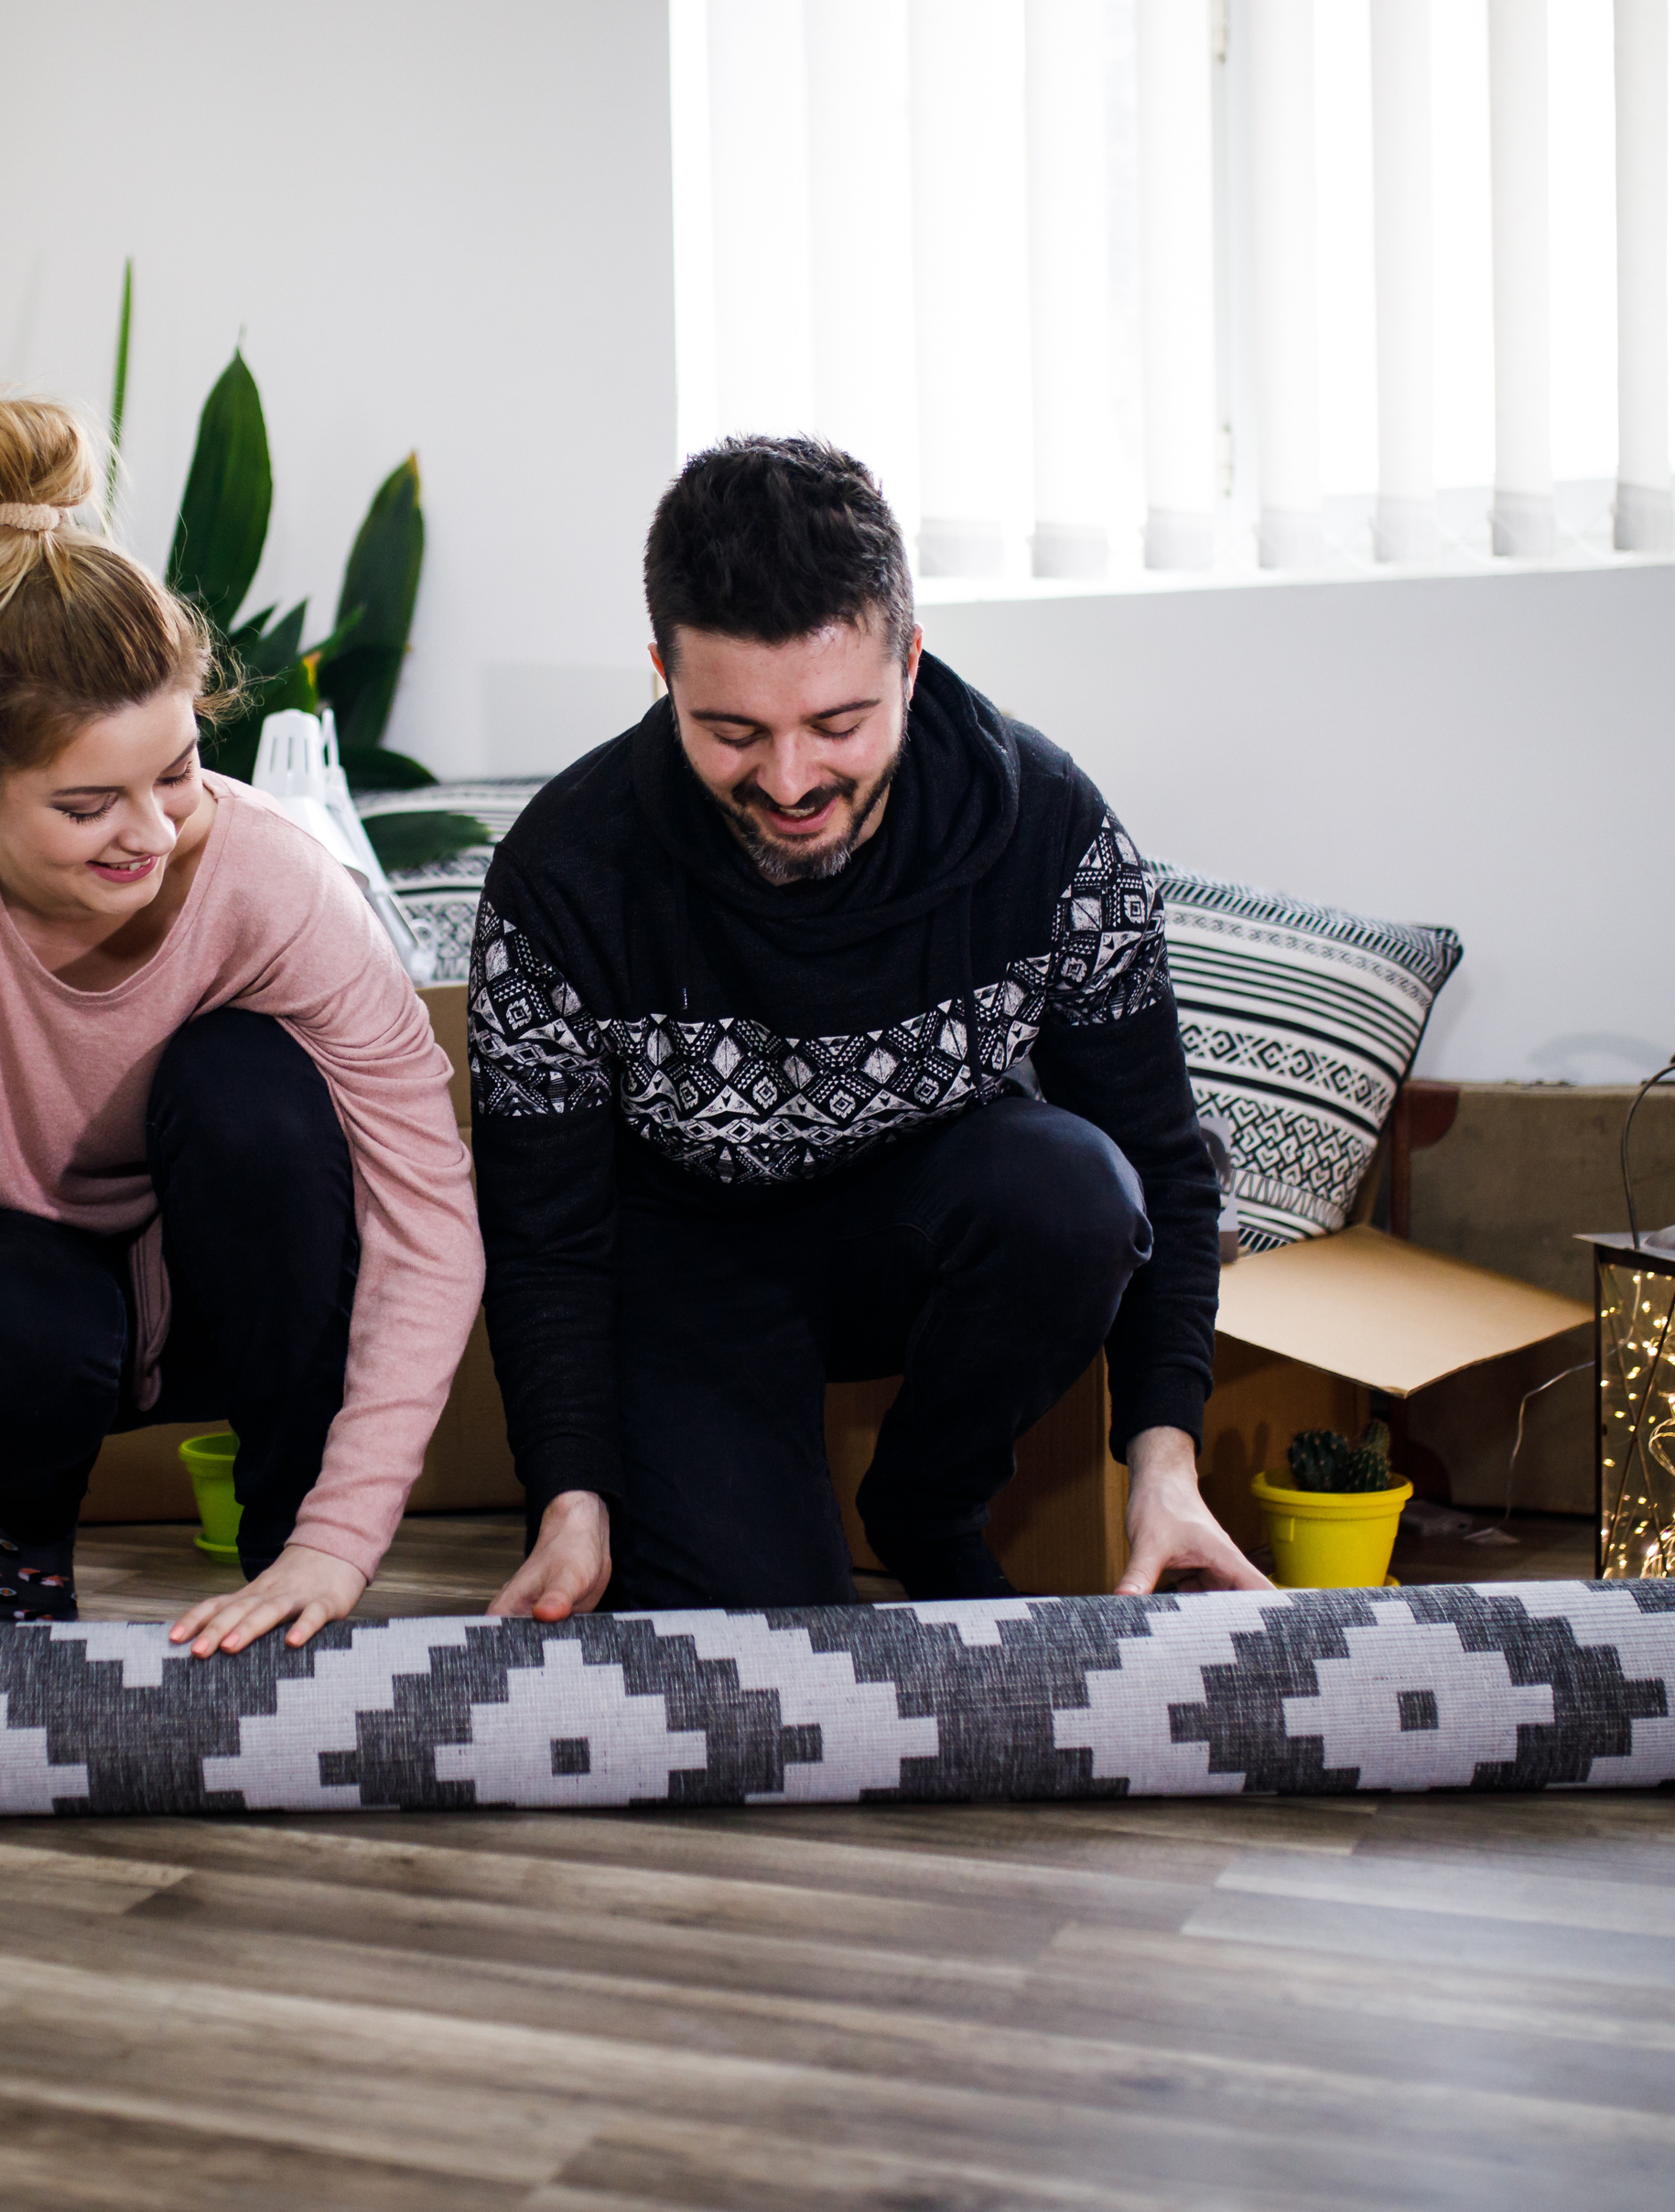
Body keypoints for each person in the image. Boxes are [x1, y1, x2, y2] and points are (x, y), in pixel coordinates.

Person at [0, 397, 482, 1682]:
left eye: (179, 771)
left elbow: (428, 1216)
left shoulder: (275, 885)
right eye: (88, 804)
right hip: (31, 1309)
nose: (149, 830)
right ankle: (29, 1530)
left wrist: (340, 1538)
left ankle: (280, 1553)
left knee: (246, 1086)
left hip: (247, 1295)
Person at [471, 436, 1270, 1619]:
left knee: (1078, 1191)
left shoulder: (1047, 828)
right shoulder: (564, 878)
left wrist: (1166, 1462)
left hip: (927, 1228)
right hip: (689, 1261)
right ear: (661, 676)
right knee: (766, 1645)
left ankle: (928, 1503)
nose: (790, 781)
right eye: (733, 732)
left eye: (836, 725)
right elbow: (546, 1239)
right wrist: (574, 1498)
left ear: (909, 664)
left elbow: (1161, 1158)